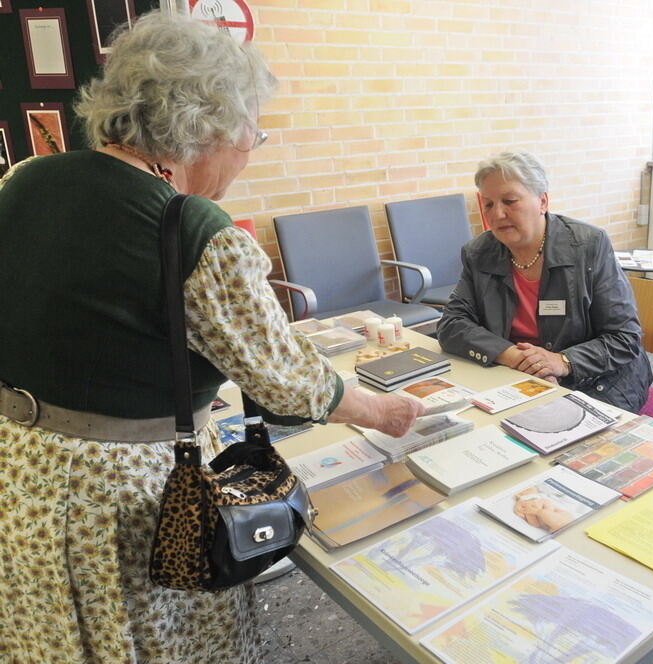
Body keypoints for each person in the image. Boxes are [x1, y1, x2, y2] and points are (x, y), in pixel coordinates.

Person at [0, 12, 422, 664]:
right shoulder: (192, 227)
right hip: (120, 498)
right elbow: (285, 383)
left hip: (21, 472)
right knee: (155, 641)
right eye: (253, 130)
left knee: (53, 639)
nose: (251, 149)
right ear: (210, 124)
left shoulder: (22, 180)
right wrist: (381, 410)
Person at [437, 151, 652, 413]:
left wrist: (563, 361)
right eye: (489, 204)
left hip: (598, 380)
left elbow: (624, 338)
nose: (497, 214)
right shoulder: (479, 253)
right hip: (519, 378)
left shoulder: (588, 246)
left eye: (510, 201)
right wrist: (514, 356)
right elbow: (451, 325)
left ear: (542, 201)